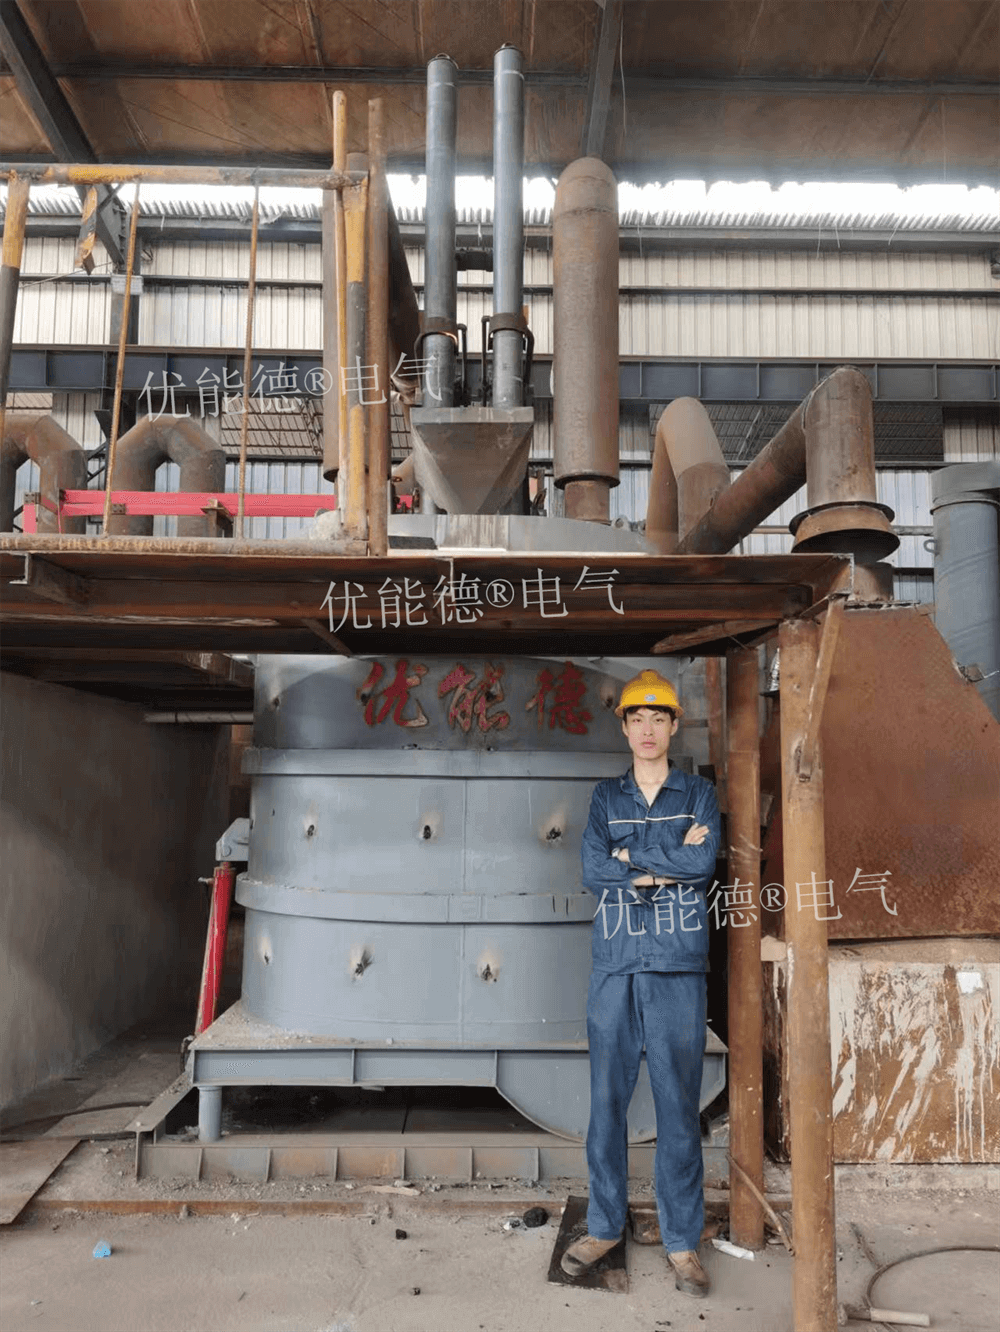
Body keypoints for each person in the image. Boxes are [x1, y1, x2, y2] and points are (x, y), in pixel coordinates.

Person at [560, 669, 721, 1299]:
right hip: (616, 963)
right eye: (637, 718)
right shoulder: (607, 797)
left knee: (679, 1105)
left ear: (674, 725)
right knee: (606, 1103)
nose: (647, 729)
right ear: (624, 727)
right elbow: (592, 868)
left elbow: (701, 865)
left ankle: (681, 1241)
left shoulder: (698, 793)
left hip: (677, 964)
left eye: (658, 718)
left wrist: (630, 859)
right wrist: (659, 864)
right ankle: (603, 1226)